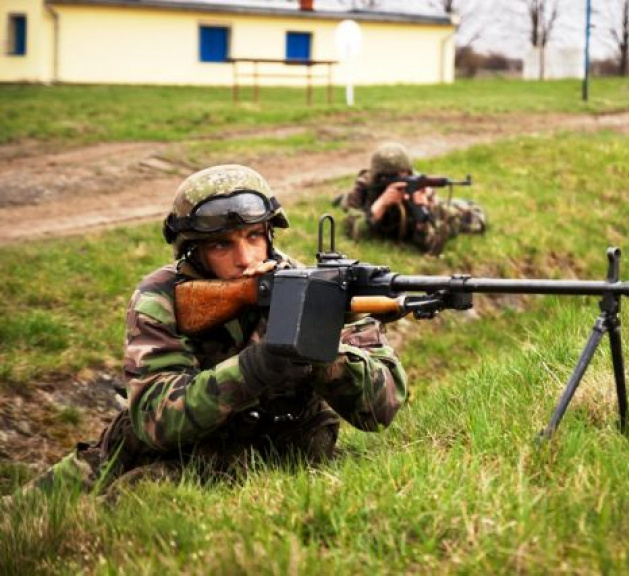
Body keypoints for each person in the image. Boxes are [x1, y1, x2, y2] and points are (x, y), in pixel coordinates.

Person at [20, 164, 408, 498]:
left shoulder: (311, 284)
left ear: (270, 234)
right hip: (145, 458)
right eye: (222, 244)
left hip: (261, 463)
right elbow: (156, 421)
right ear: (194, 251)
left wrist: (321, 350)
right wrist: (255, 368)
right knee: (25, 517)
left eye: (254, 236)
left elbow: (381, 409)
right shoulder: (162, 297)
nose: (245, 258)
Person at [339, 142, 486, 256]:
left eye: (404, 174)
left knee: (473, 217)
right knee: (344, 200)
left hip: (456, 212)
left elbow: (432, 247)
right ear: (379, 177)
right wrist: (381, 205)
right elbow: (354, 230)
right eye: (393, 176)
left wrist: (424, 210)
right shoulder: (365, 187)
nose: (401, 179)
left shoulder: (414, 188)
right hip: (375, 205)